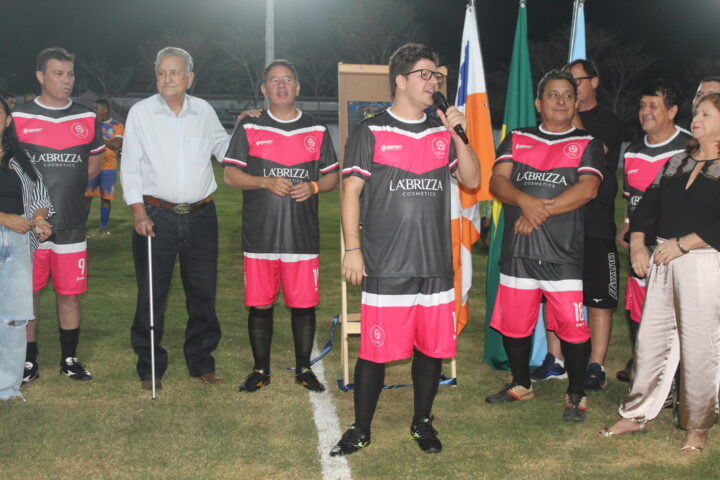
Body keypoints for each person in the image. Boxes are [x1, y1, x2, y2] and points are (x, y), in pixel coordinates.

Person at [330, 43, 480, 456]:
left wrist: (458, 134)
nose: (434, 82)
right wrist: (353, 249)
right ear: (400, 80)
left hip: (433, 265)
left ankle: (422, 422)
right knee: (375, 352)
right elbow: (350, 193)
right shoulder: (371, 131)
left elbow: (472, 179)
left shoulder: (441, 133)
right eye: (426, 75)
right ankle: (361, 428)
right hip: (386, 264)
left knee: (431, 349)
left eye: (437, 76)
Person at [598, 92, 720, 453]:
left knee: (701, 347)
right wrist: (638, 243)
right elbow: (646, 205)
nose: (696, 118)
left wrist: (684, 244)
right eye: (697, 112)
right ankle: (635, 413)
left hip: (703, 262)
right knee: (650, 340)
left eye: (707, 114)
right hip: (664, 260)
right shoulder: (677, 161)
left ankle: (697, 425)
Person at [484, 70, 604, 423]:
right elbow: (497, 182)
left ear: (576, 102)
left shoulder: (587, 142)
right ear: (539, 103)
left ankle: (576, 393)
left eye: (568, 95)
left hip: (562, 255)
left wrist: (537, 210)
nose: (561, 101)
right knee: (515, 326)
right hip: (519, 252)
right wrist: (527, 201)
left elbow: (588, 190)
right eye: (553, 95)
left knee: (573, 327)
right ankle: (521, 384)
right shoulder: (518, 138)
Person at [223, 59, 339, 393]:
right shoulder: (249, 128)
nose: (281, 85)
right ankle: (260, 370)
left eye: (288, 79)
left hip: (302, 237)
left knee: (303, 305)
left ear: (297, 87)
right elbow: (230, 175)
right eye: (274, 80)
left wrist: (315, 186)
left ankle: (304, 369)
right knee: (260, 304)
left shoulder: (316, 129)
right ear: (264, 89)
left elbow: (333, 175)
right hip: (259, 235)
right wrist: (264, 182)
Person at [120, 47, 229, 390]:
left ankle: (201, 362)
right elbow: (130, 166)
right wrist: (138, 212)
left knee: (202, 294)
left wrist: (248, 130)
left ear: (189, 78)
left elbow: (224, 148)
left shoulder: (204, 111)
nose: (167, 78)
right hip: (155, 215)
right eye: (162, 72)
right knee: (152, 295)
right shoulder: (140, 113)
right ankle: (150, 367)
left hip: (201, 215)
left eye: (174, 72)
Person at [12, 47, 103, 383]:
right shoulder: (18, 117)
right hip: (27, 226)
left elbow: (92, 164)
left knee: (70, 292)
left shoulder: (86, 117)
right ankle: (28, 361)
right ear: (40, 76)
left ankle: (69, 358)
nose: (67, 80)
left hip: (71, 222)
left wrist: (70, 193)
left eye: (70, 74)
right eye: (58, 74)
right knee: (28, 292)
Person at [531, 60, 622, 391]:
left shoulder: (607, 121)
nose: (564, 96)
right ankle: (555, 359)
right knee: (553, 296)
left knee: (598, 298)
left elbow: (594, 149)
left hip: (595, 223)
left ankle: (595, 364)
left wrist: (571, 113)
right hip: (558, 226)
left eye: (575, 84)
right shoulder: (548, 127)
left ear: (594, 82)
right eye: (559, 90)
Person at [615, 79, 690, 383]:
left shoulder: (689, 148)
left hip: (677, 249)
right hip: (641, 248)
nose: (645, 112)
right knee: (637, 310)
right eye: (642, 105)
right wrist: (628, 226)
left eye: (653, 106)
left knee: (677, 316)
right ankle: (644, 371)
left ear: (672, 111)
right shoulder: (633, 151)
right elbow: (633, 198)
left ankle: (678, 382)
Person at [0, 96, 53, 401]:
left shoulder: (21, 158)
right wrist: (6, 218)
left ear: (8, 120)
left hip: (18, 242)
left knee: (14, 319)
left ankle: (7, 388)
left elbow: (41, 197)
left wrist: (40, 220)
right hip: (11, 226)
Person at [85, 99, 123, 236]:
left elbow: (117, 145)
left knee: (106, 198)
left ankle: (104, 226)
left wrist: (98, 136)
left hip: (109, 167)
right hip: (92, 165)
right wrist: (108, 140)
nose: (94, 110)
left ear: (105, 109)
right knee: (87, 198)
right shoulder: (90, 125)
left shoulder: (117, 126)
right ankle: (83, 227)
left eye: (96, 108)